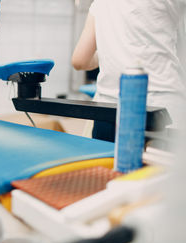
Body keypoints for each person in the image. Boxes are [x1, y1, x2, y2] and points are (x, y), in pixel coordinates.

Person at [72, 0, 186, 142]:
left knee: (107, 164)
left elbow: (79, 60)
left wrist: (113, 53)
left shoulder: (100, 3)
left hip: (107, 112)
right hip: (161, 109)